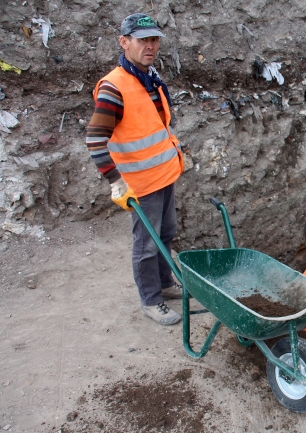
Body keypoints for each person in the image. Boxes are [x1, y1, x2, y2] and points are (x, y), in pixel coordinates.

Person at [85, 13, 185, 326]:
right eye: (143, 40)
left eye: (154, 40)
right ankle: (151, 301)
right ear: (124, 42)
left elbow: (154, 126)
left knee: (166, 233)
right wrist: (115, 182)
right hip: (140, 183)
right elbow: (95, 139)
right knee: (147, 244)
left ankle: (165, 284)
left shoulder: (149, 78)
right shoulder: (115, 87)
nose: (150, 46)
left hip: (164, 174)